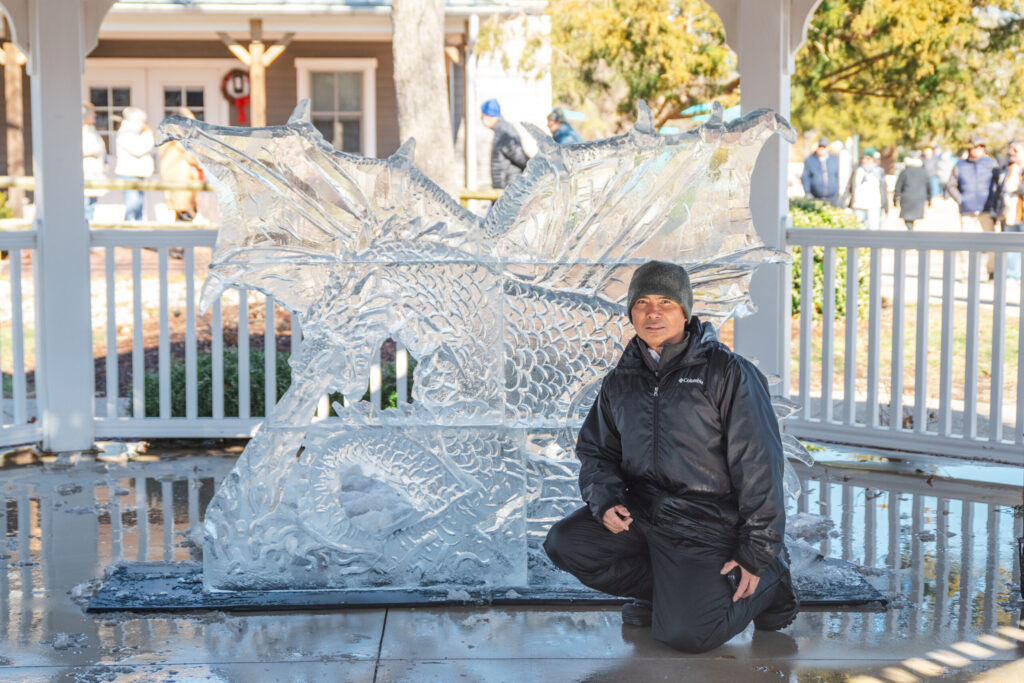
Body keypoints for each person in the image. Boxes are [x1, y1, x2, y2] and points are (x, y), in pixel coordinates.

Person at [543, 261, 796, 654]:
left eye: (665, 302)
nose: (652, 313)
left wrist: (756, 552)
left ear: (685, 311)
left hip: (708, 523)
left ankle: (773, 581)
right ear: (631, 312)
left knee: (685, 634)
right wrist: (606, 498)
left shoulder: (728, 374)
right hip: (644, 515)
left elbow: (759, 466)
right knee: (565, 542)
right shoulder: (621, 379)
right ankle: (663, 591)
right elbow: (596, 450)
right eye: (642, 302)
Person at [946, 135, 998, 279]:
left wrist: (995, 202)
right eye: (976, 146)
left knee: (991, 242)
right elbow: (951, 185)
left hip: (986, 208)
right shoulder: (960, 165)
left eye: (981, 147)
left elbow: (998, 183)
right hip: (967, 209)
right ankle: (966, 272)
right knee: (966, 242)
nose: (978, 149)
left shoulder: (991, 164)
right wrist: (961, 200)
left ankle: (992, 270)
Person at [158, 107, 203, 222]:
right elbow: (194, 157)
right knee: (186, 213)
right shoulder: (180, 139)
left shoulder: (166, 137)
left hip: (172, 176)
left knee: (181, 213)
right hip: (183, 177)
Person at [114, 106, 156, 222]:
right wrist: (148, 134)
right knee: (132, 206)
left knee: (138, 206)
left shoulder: (136, 133)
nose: (144, 124)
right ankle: (129, 233)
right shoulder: (125, 133)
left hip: (138, 173)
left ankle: (139, 233)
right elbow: (139, 150)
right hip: (129, 174)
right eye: (142, 121)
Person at [480, 98, 529, 189]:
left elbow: (520, 158)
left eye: (482, 116)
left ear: (488, 116)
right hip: (505, 188)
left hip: (510, 188)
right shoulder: (500, 131)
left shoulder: (505, 133)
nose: (481, 120)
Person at [993, 140, 1024, 280]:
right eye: (1010, 151)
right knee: (1011, 246)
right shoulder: (1007, 169)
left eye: (1015, 151)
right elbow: (1000, 189)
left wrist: (1017, 190)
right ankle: (1012, 275)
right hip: (1009, 213)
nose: (1011, 154)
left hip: (1021, 211)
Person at [844, 147, 887, 230]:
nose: (865, 160)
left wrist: (885, 206)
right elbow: (849, 186)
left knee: (873, 230)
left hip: (873, 206)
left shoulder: (878, 171)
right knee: (858, 230)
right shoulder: (857, 170)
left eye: (868, 158)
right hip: (858, 205)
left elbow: (883, 189)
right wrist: (845, 200)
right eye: (863, 158)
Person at [82, 103, 107, 223]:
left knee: (91, 206)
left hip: (95, 173)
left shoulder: (92, 131)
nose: (95, 115)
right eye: (92, 113)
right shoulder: (79, 131)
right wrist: (91, 152)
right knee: (84, 206)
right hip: (84, 173)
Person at [893, 151, 929, 231]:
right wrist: (929, 198)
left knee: (908, 217)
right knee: (911, 216)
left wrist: (895, 198)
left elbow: (898, 186)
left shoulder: (905, 172)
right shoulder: (923, 172)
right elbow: (928, 186)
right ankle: (910, 228)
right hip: (919, 197)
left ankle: (910, 228)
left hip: (907, 197)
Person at [801, 137, 841, 205]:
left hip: (833, 197)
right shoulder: (810, 160)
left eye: (824, 147)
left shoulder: (834, 159)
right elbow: (805, 177)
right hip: (815, 197)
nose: (821, 149)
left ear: (827, 148)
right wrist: (807, 192)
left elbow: (837, 175)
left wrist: (838, 191)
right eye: (820, 146)